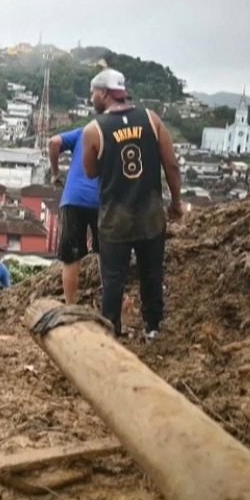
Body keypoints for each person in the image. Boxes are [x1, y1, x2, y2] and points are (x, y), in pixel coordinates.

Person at [81, 68, 183, 341]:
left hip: (116, 217)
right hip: (150, 213)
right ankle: (153, 327)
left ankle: (111, 331)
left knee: (113, 278)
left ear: (103, 94)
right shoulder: (151, 120)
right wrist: (176, 202)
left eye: (94, 93)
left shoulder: (94, 130)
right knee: (152, 272)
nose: (92, 97)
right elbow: (171, 165)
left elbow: (90, 171)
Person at [50, 127, 100, 304]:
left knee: (72, 257)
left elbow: (54, 142)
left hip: (73, 199)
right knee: (106, 254)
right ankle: (108, 305)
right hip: (102, 200)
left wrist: (56, 173)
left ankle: (70, 305)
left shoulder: (85, 131)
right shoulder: (116, 133)